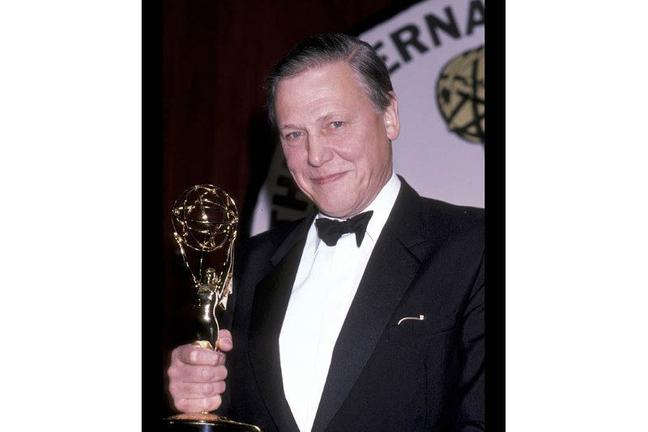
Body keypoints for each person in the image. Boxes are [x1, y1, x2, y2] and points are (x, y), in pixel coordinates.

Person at [167, 33, 484, 432]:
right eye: (294, 135)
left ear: (390, 116)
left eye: (334, 124)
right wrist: (198, 393)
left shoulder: (476, 246)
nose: (315, 156)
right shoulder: (248, 264)